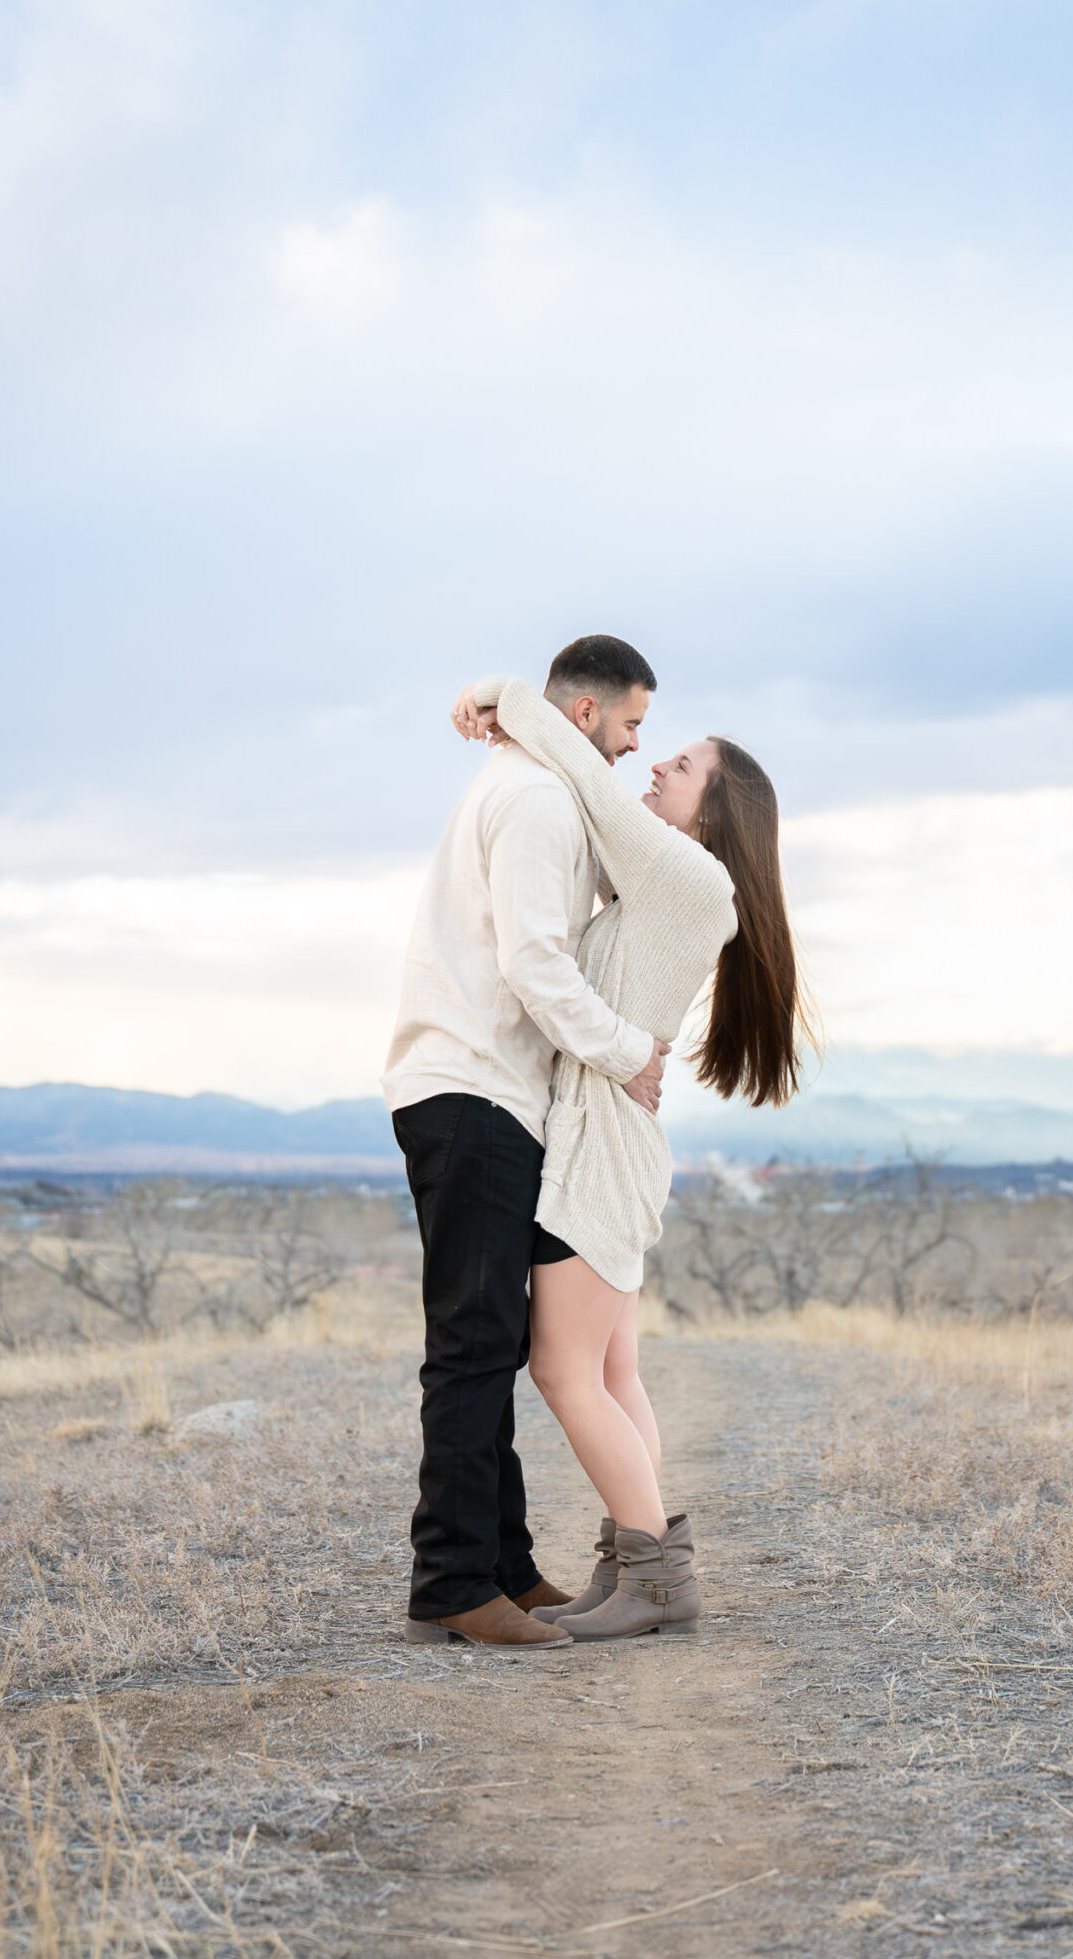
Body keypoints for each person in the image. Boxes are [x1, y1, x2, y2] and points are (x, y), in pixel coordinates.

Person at [447, 672, 807, 1641]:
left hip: (603, 1155)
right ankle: (637, 1560)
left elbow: (592, 785)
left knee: (564, 1371)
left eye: (681, 763)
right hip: (615, 1145)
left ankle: (656, 1576)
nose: (657, 763)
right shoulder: (668, 886)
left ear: (715, 805)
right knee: (612, 1374)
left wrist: (507, 699)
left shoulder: (693, 879)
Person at [383, 635, 671, 1652]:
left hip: (487, 1091)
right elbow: (537, 965)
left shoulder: (542, 788)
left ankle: (499, 1565)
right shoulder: (542, 801)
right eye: (632, 723)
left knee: (491, 1339)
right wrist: (629, 1050)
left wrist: (493, 693)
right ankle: (452, 1585)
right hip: (474, 1089)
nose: (639, 747)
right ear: (585, 714)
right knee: (471, 1344)